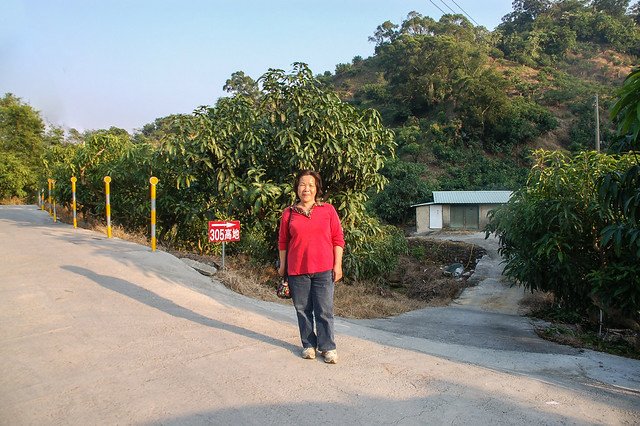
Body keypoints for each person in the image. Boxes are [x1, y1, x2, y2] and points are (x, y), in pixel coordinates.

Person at [278, 170, 344, 364]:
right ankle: (308, 345)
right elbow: (283, 241)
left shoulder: (328, 210)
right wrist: (283, 266)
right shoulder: (289, 213)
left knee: (324, 310)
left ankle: (328, 347)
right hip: (297, 270)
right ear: (297, 188)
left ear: (317, 189)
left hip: (324, 269)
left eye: (310, 185)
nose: (306, 188)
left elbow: (337, 239)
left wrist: (337, 265)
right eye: (302, 184)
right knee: (302, 309)